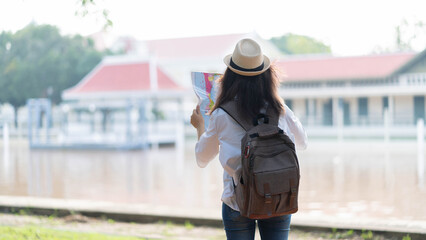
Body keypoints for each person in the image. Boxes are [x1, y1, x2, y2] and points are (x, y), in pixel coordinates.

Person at [191, 38, 307, 240]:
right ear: (267, 76)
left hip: (238, 202)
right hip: (279, 196)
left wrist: (201, 126)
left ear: (228, 78)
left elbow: (202, 159)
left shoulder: (220, 114)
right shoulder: (280, 109)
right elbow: (303, 142)